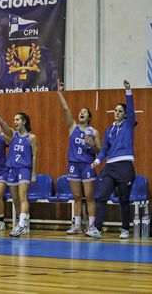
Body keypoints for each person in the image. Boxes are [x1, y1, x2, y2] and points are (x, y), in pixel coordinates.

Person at [0, 97, 38, 238]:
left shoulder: (31, 137)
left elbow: (34, 156)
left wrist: (33, 173)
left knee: (22, 196)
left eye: (17, 120)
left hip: (24, 169)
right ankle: (24, 223)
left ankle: (21, 225)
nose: (15, 122)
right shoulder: (13, 135)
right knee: (15, 199)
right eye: (14, 120)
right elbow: (1, 122)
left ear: (24, 122)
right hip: (12, 169)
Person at [90, 80, 136, 239]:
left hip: (125, 165)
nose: (116, 113)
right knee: (102, 196)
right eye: (115, 110)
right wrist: (98, 161)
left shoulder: (129, 125)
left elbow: (131, 108)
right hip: (110, 166)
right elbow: (104, 149)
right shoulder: (109, 130)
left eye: (120, 111)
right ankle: (97, 228)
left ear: (125, 114)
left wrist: (128, 91)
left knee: (124, 199)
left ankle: (125, 229)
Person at [57, 79, 101, 235]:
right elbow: (65, 109)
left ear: (89, 117)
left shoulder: (94, 132)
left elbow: (99, 151)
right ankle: (77, 225)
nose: (81, 113)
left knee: (89, 196)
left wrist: (91, 145)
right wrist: (60, 93)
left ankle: (91, 226)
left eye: (84, 112)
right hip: (73, 164)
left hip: (87, 165)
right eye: (80, 112)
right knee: (76, 196)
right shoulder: (73, 127)